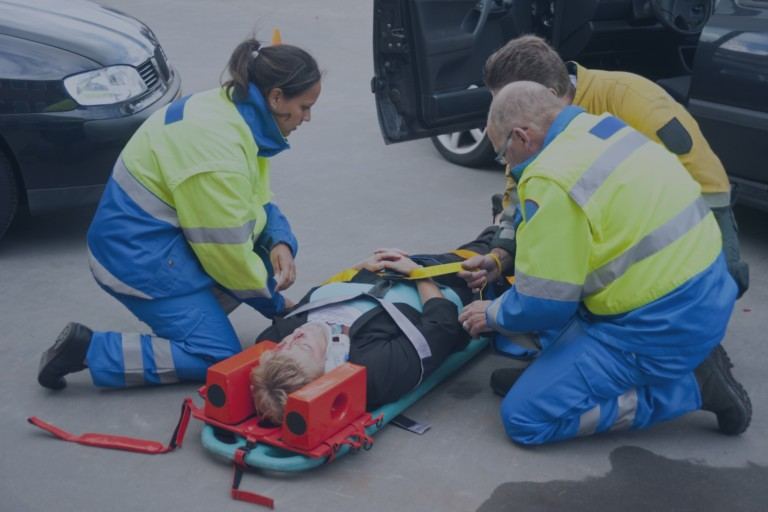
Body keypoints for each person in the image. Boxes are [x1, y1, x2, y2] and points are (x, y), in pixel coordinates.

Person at [458, 81, 751, 445]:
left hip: (655, 326)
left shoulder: (550, 177)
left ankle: (690, 387)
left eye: (504, 153)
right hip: (706, 292)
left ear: (521, 136)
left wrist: (491, 313)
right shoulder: (602, 128)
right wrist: (503, 257)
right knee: (540, 335)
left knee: (524, 418)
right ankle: (566, 375)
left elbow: (544, 303)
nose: (507, 164)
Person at [38, 37, 322, 390]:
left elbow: (254, 200)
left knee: (263, 261)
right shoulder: (217, 156)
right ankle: (89, 350)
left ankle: (196, 311)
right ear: (277, 97)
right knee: (216, 355)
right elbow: (226, 254)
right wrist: (278, 308)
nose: (307, 117)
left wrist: (278, 239)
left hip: (160, 239)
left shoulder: (232, 111)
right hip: (136, 257)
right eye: (305, 107)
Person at [482, 35, 749, 298]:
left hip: (685, 216)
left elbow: (704, 179)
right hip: (608, 222)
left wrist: (713, 266)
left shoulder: (633, 101)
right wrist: (502, 252)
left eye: (506, 105)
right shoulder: (529, 131)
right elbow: (519, 194)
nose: (503, 116)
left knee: (713, 287)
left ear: (547, 95)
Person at [249, 229, 505, 424]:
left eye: (285, 345)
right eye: (302, 345)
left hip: (382, 272)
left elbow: (319, 295)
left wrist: (360, 266)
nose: (296, 335)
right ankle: (502, 230)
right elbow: (441, 327)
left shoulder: (277, 337)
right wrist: (418, 273)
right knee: (493, 250)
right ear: (328, 365)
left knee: (480, 245)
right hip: (450, 282)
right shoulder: (375, 368)